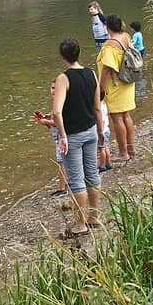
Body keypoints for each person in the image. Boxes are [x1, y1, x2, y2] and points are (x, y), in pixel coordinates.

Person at [51, 38, 106, 238]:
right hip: (91, 130)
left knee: (76, 180)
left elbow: (57, 112)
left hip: (72, 135)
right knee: (92, 174)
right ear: (79, 53)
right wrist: (100, 131)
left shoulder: (63, 79)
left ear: (62, 56)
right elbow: (97, 107)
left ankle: (80, 224)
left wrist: (62, 136)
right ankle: (94, 217)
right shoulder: (91, 73)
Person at [96, 15, 138, 164]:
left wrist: (100, 87)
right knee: (126, 115)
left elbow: (107, 68)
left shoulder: (109, 45)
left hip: (115, 84)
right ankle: (131, 148)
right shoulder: (126, 37)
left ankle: (123, 152)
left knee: (117, 117)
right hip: (128, 81)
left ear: (107, 27)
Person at [34, 81, 68, 196]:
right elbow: (55, 114)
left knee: (61, 162)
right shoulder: (58, 101)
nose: (54, 90)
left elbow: (60, 121)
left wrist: (45, 122)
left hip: (62, 138)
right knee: (64, 162)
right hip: (59, 136)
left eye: (56, 88)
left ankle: (63, 188)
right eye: (52, 88)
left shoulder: (62, 102)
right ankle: (66, 184)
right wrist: (47, 116)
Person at [97, 90, 113, 173]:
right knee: (106, 147)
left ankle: (102, 165)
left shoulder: (98, 107)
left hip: (102, 130)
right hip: (107, 129)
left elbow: (102, 120)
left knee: (101, 148)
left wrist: (100, 132)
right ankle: (108, 163)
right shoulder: (104, 104)